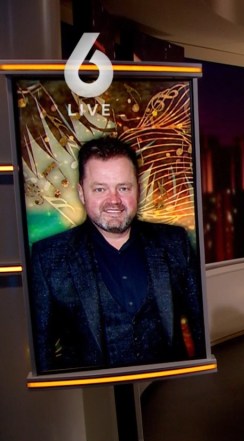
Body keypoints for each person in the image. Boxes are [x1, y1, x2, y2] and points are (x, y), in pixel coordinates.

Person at [29, 136, 205, 374]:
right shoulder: (48, 257)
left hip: (167, 389)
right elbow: (42, 350)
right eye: (100, 189)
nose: (114, 200)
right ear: (82, 192)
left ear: (137, 189)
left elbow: (199, 325)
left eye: (123, 188)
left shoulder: (175, 242)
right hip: (92, 394)